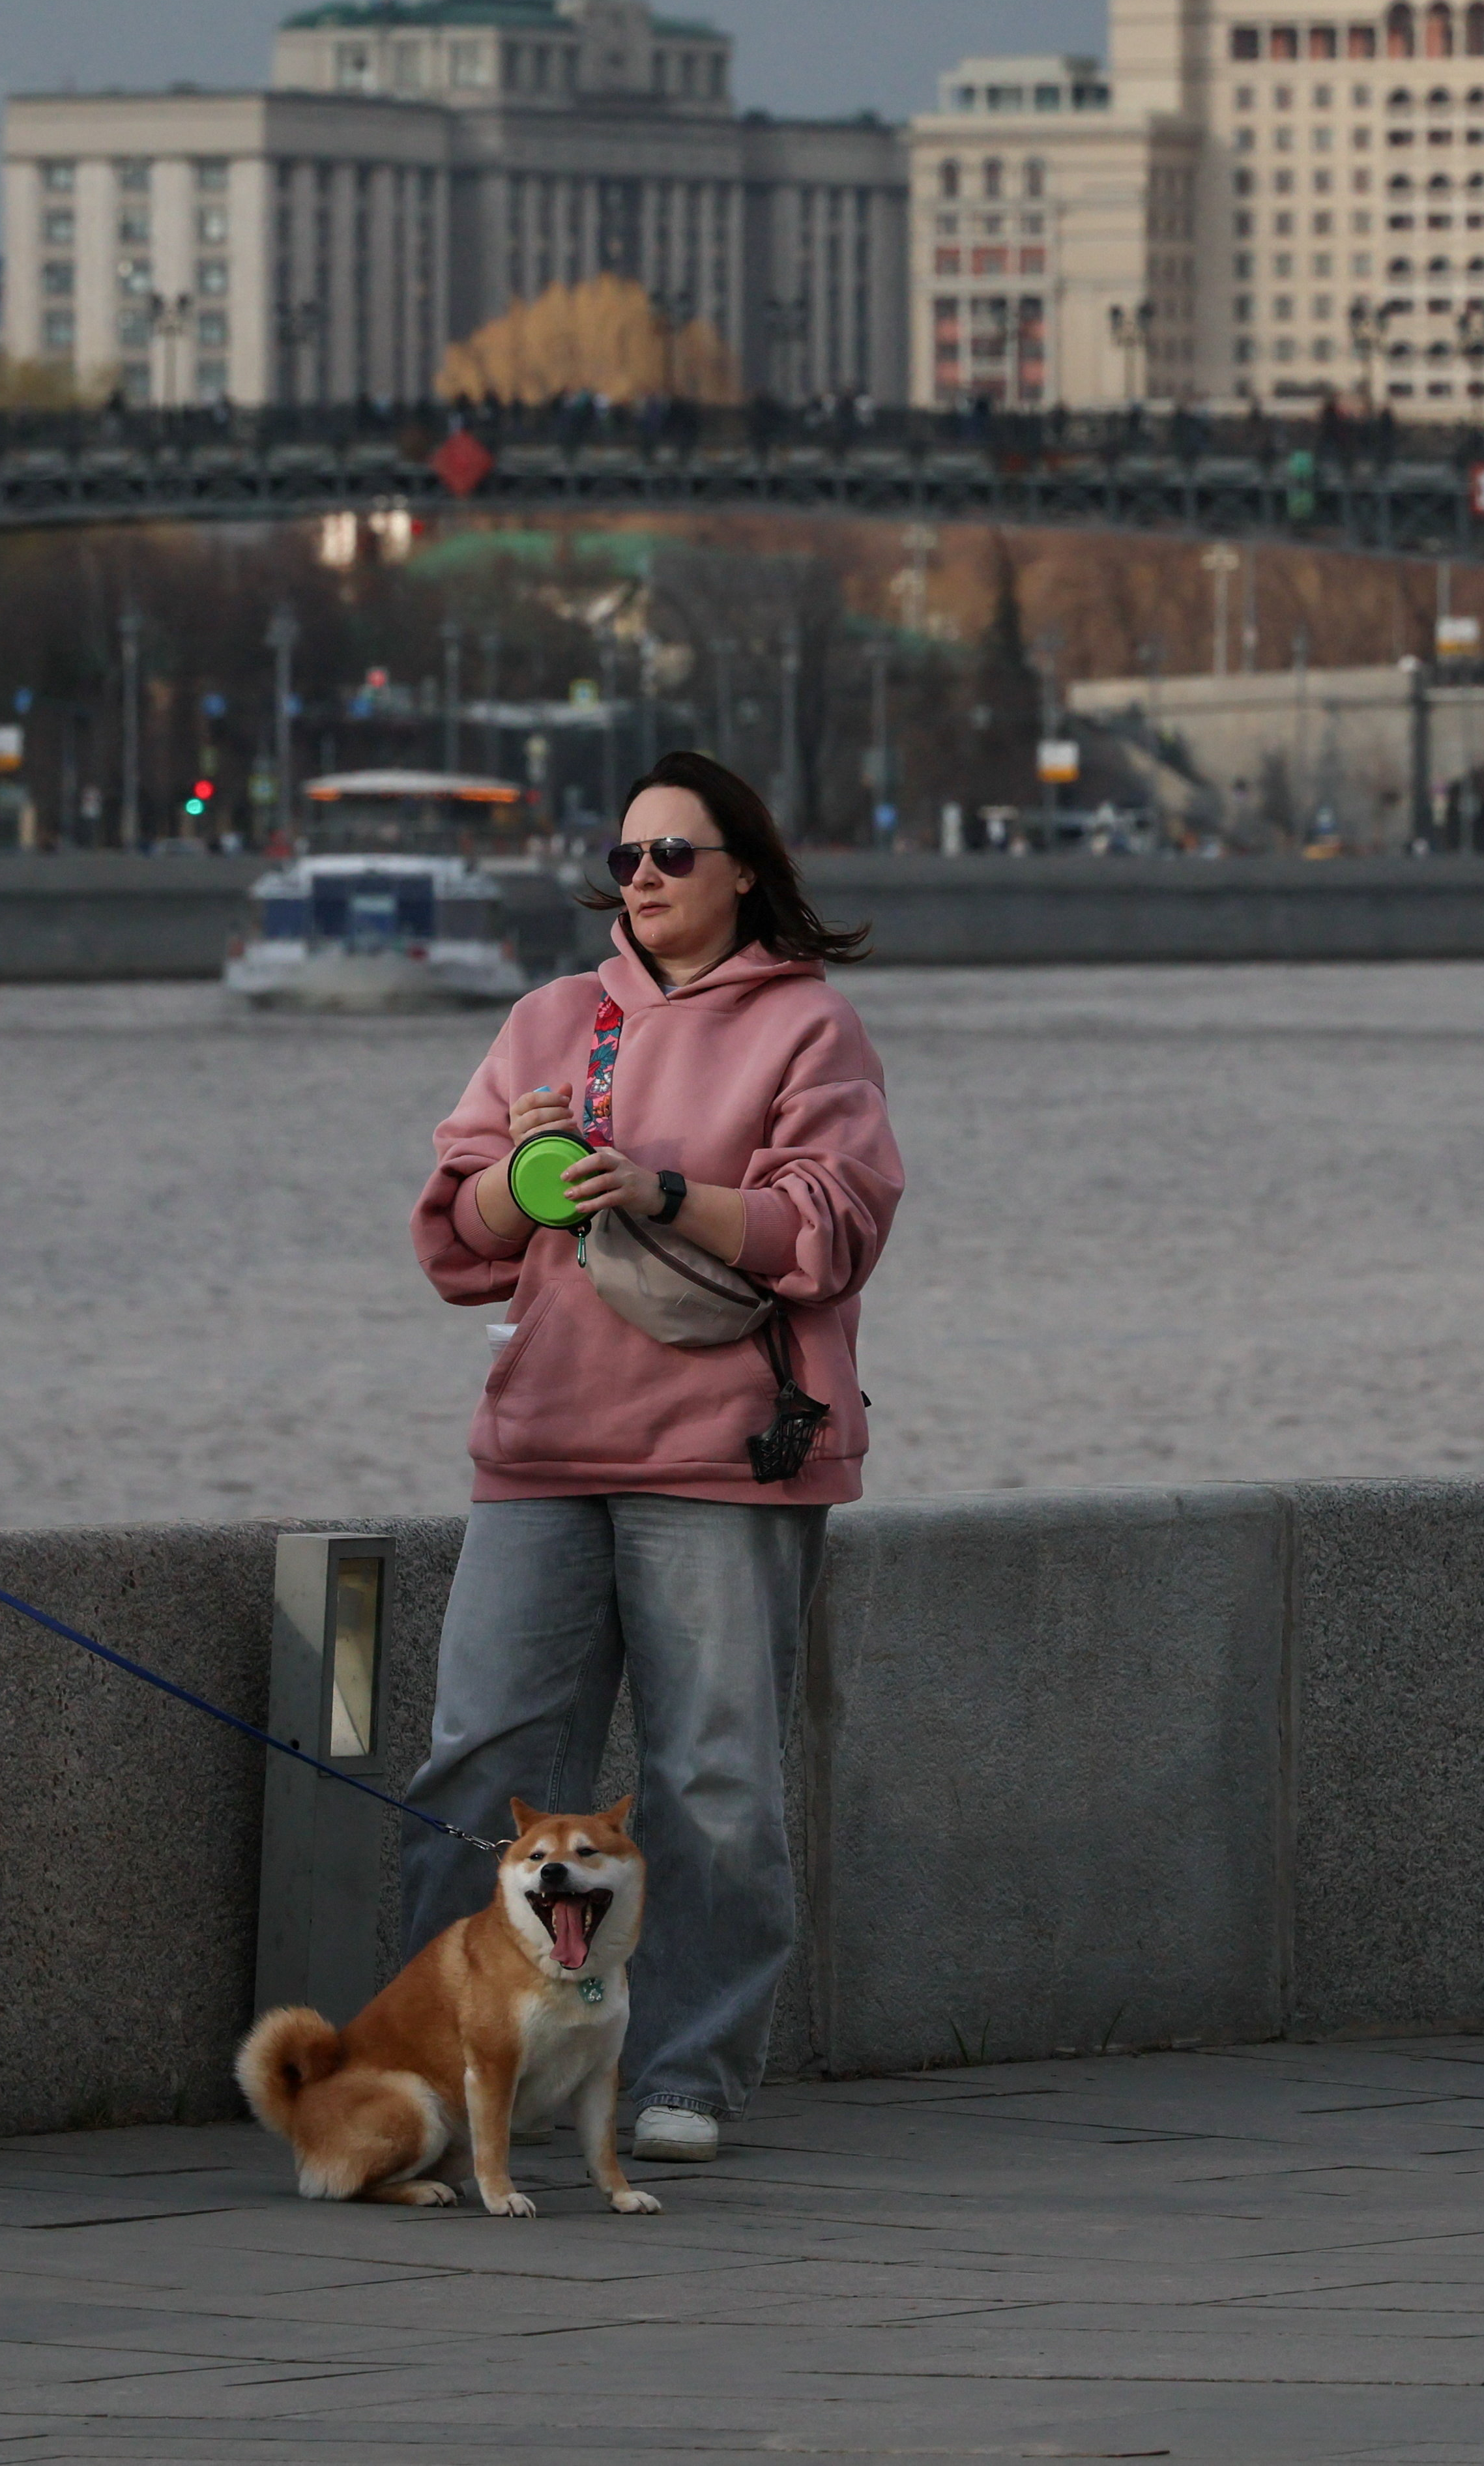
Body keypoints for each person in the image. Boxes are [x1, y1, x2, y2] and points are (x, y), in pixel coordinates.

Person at [402, 751, 902, 2164]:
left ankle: (680, 2069)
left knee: (713, 1780)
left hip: (725, 1454)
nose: (642, 877)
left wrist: (666, 1190)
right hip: (543, 1443)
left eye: (674, 854)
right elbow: (451, 1232)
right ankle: (459, 2054)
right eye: (625, 855)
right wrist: (525, 1173)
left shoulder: (809, 1028)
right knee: (482, 1761)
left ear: (743, 867)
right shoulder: (551, 1018)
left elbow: (834, 1226)